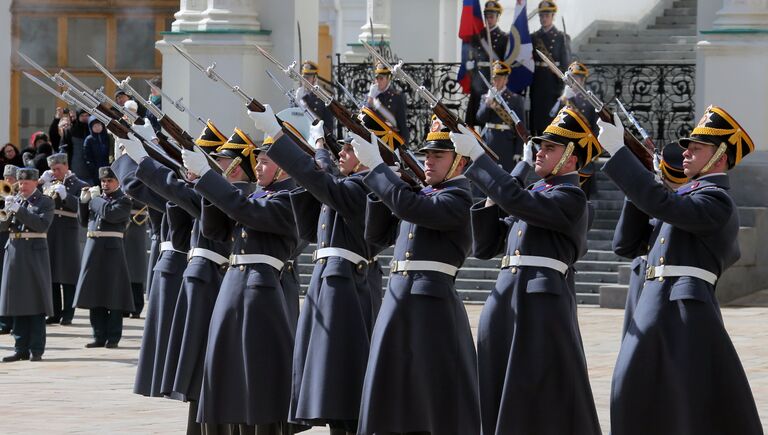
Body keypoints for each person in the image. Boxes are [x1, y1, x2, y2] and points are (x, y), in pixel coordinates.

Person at [597, 105, 762, 434]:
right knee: (632, 395)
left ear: (720, 157)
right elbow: (625, 245)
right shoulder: (681, 200)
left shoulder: (716, 200)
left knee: (687, 405)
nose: (685, 153)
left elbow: (664, 205)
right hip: (652, 307)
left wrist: (621, 155)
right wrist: (644, 176)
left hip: (684, 312)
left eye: (696, 148)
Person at [451, 106, 602, 434]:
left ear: (572, 158)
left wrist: (480, 158)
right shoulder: (533, 193)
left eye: (550, 148)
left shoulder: (571, 197)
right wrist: (494, 195)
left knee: (537, 394)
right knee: (498, 386)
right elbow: (486, 247)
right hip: (507, 298)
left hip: (539, 305)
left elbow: (519, 203)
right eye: (540, 146)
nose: (540, 152)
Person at [250, 108, 382, 434]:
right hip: (328, 284)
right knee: (329, 380)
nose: (344, 154)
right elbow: (315, 208)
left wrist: (281, 138)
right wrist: (319, 145)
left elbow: (319, 180)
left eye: (350, 150)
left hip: (345, 289)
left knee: (343, 379)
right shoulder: (345, 183)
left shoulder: (363, 187)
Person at [350, 119, 480, 434]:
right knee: (392, 393)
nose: (428, 161)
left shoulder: (457, 198)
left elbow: (413, 208)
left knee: (428, 397)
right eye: (427, 155)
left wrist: (380, 170)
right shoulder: (422, 194)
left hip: (430, 308)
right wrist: (386, 184)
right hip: (398, 302)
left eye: (438, 156)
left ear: (459, 162)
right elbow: (377, 235)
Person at [182, 123, 299, 433]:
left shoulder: (288, 199)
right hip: (234, 289)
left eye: (265, 161)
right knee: (228, 376)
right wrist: (211, 181)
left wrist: (209, 180)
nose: (258, 167)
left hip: (259, 295)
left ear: (284, 169)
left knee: (256, 381)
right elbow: (215, 230)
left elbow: (247, 211)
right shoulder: (258, 195)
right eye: (257, 160)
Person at [118, 120, 233, 434]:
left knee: (212, 372)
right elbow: (145, 187)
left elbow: (171, 189)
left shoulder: (228, 195)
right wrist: (132, 153)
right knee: (199, 374)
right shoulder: (203, 191)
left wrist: (142, 157)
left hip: (215, 282)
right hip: (199, 279)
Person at [613, 143, 688, 338]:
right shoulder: (651, 207)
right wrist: (637, 191)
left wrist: (645, 188)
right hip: (641, 290)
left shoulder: (690, 208)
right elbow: (623, 245)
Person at [73, 166, 133, 348]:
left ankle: (113, 337)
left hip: (112, 250)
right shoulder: (97, 200)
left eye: (109, 181)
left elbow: (111, 214)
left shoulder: (124, 200)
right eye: (103, 181)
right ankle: (98, 335)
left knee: (113, 293)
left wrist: (95, 199)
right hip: (93, 248)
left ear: (117, 182)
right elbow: (84, 222)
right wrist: (83, 203)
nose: (105, 184)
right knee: (95, 293)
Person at [0, 168, 55, 362]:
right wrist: (5, 211)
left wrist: (18, 210)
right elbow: (3, 226)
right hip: (14, 252)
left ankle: (36, 348)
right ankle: (20, 347)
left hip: (33, 254)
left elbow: (41, 225)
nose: (21, 186)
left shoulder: (45, 201)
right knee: (17, 301)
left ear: (35, 183)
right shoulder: (17, 200)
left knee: (36, 301)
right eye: (20, 183)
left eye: (26, 183)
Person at [40, 153, 89, 326]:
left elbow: (83, 208)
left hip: (68, 231)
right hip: (50, 231)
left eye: (58, 169)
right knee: (51, 273)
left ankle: (68, 313)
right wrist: (40, 183)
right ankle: (54, 312)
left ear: (66, 166)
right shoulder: (48, 183)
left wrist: (66, 196)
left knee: (68, 274)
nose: (55, 172)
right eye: (52, 169)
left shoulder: (80, 185)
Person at [465, 1, 509, 128]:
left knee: (489, 116)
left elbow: (504, 62)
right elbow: (472, 57)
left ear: (497, 17)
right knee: (474, 116)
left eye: (492, 16)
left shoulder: (504, 38)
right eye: (487, 16)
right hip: (478, 80)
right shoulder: (477, 37)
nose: (489, 20)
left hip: (493, 79)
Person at [476, 60, 526, 171]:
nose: (496, 81)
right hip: (488, 140)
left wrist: (518, 151)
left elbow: (520, 126)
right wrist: (488, 102)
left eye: (499, 78)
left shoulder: (515, 99)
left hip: (506, 143)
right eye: (494, 78)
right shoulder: (486, 98)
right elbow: (480, 118)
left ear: (506, 79)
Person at [530, 0, 570, 136]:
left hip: (553, 83)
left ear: (553, 16)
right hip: (538, 81)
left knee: (551, 119)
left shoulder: (561, 37)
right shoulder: (534, 37)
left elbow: (566, 64)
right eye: (541, 16)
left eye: (547, 15)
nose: (543, 18)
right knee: (537, 117)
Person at [365, 62, 409, 145]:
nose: (378, 81)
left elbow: (402, 123)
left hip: (390, 140)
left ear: (388, 79)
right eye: (376, 78)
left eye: (381, 78)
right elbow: (364, 118)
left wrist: (405, 145)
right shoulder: (369, 96)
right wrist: (371, 98)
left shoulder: (397, 97)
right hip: (373, 140)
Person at [550, 62, 598, 131]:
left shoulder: (589, 99)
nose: (571, 81)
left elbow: (594, 126)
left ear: (582, 80)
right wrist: (563, 98)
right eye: (570, 79)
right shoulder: (564, 97)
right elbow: (553, 116)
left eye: (575, 78)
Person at [0, 164, 18, 335]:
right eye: (6, 178)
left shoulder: (21, 196)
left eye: (11, 179)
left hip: (14, 240)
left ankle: (14, 321)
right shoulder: (1, 194)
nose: (8, 181)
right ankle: (4, 321)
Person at [295, 61, 334, 131]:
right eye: (303, 77)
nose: (305, 80)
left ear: (314, 78)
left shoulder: (322, 96)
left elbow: (328, 124)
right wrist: (298, 99)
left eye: (308, 78)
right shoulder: (298, 94)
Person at [83, 116, 113, 185]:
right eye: (95, 126)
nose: (97, 127)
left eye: (99, 125)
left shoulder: (108, 137)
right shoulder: (89, 140)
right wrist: (92, 167)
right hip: (96, 168)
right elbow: (87, 156)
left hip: (108, 165)